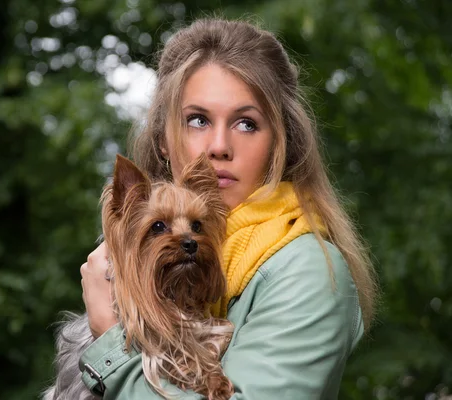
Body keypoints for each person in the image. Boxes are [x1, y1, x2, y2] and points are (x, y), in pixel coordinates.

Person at [78, 18, 378, 399]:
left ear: (280, 144)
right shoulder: (130, 256)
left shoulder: (308, 270)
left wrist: (110, 340)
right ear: (162, 141)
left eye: (246, 124)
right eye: (198, 120)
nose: (219, 146)